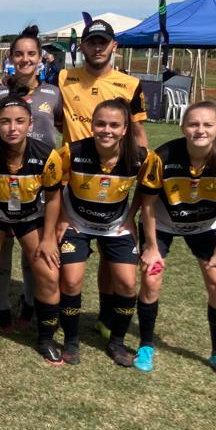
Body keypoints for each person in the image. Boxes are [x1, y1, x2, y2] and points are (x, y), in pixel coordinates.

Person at [136, 101, 216, 382]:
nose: (200, 130)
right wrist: (150, 247)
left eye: (207, 124)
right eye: (194, 124)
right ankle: (146, 346)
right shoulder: (162, 156)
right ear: (183, 126)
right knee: (151, 279)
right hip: (162, 224)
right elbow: (146, 204)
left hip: (204, 226)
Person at [57, 18, 148, 337]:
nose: (97, 47)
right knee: (68, 262)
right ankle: (57, 319)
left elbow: (137, 132)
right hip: (75, 176)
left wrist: (137, 165)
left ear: (114, 46)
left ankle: (107, 319)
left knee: (114, 264)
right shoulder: (63, 77)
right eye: (91, 42)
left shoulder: (130, 84)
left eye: (103, 42)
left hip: (113, 179)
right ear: (81, 46)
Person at [0, 97, 64, 364]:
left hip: (31, 215)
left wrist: (48, 239)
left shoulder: (47, 155)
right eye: (5, 121)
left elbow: (54, 199)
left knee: (49, 273)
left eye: (20, 121)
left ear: (30, 124)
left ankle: (46, 338)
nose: (12, 128)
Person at [0, 25, 63, 330]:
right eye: (19, 53)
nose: (25, 59)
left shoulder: (53, 93)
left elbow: (63, 132)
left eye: (31, 53)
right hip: (5, 183)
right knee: (2, 250)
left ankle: (30, 305)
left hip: (40, 183)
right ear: (10, 57)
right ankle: (2, 307)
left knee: (35, 252)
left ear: (40, 58)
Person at [57, 100, 144, 366]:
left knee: (128, 283)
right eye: (101, 124)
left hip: (115, 226)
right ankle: (71, 341)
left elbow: (147, 190)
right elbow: (54, 187)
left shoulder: (139, 156)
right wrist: (61, 219)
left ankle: (117, 342)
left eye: (114, 125)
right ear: (92, 125)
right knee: (71, 281)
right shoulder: (72, 151)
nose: (107, 130)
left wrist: (131, 217)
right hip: (77, 223)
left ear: (125, 129)